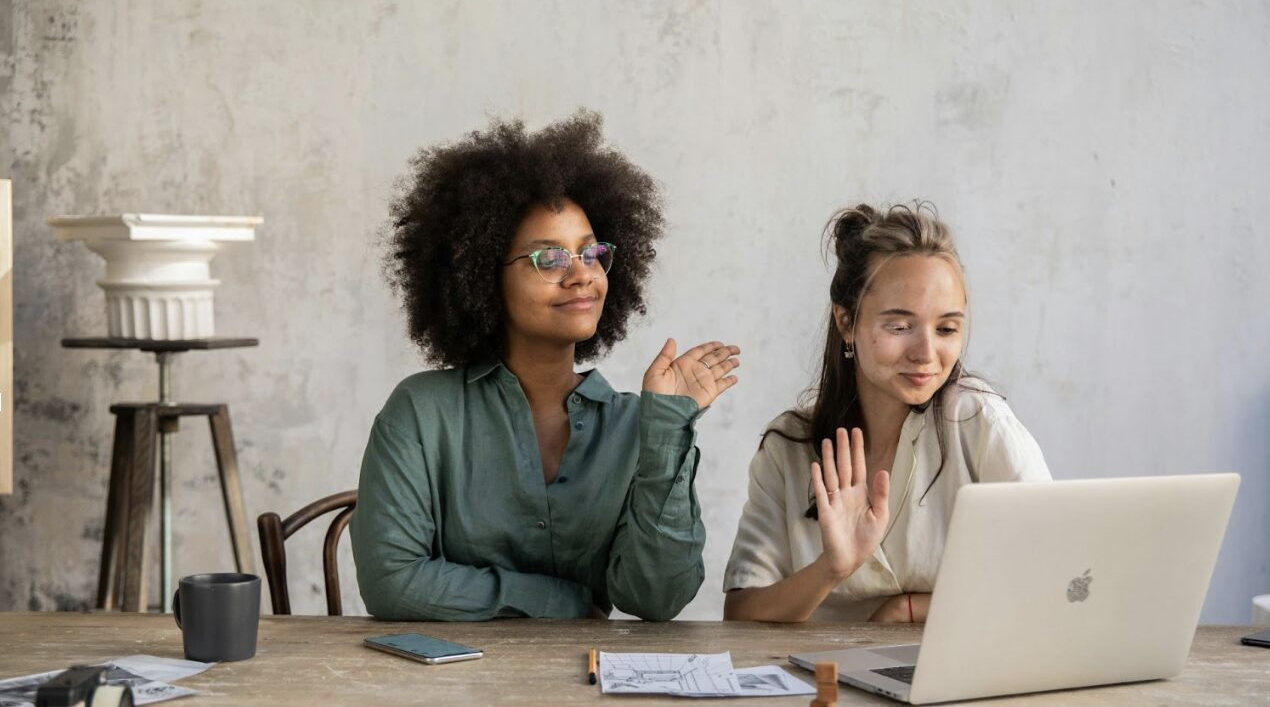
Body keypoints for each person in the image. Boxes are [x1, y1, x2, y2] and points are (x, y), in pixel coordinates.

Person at [351, 111, 739, 622]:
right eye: (548, 259)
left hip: (593, 689)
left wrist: (669, 427)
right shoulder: (422, 412)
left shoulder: (636, 425)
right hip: (449, 691)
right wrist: (564, 601)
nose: (582, 276)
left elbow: (656, 599)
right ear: (482, 277)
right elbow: (392, 583)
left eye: (592, 253)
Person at [722, 201, 1048, 623]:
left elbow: (1054, 579)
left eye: (947, 328)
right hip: (821, 682)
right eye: (899, 326)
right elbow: (742, 614)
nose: (926, 353)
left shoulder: (980, 423)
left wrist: (909, 610)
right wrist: (832, 568)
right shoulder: (790, 447)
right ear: (845, 322)